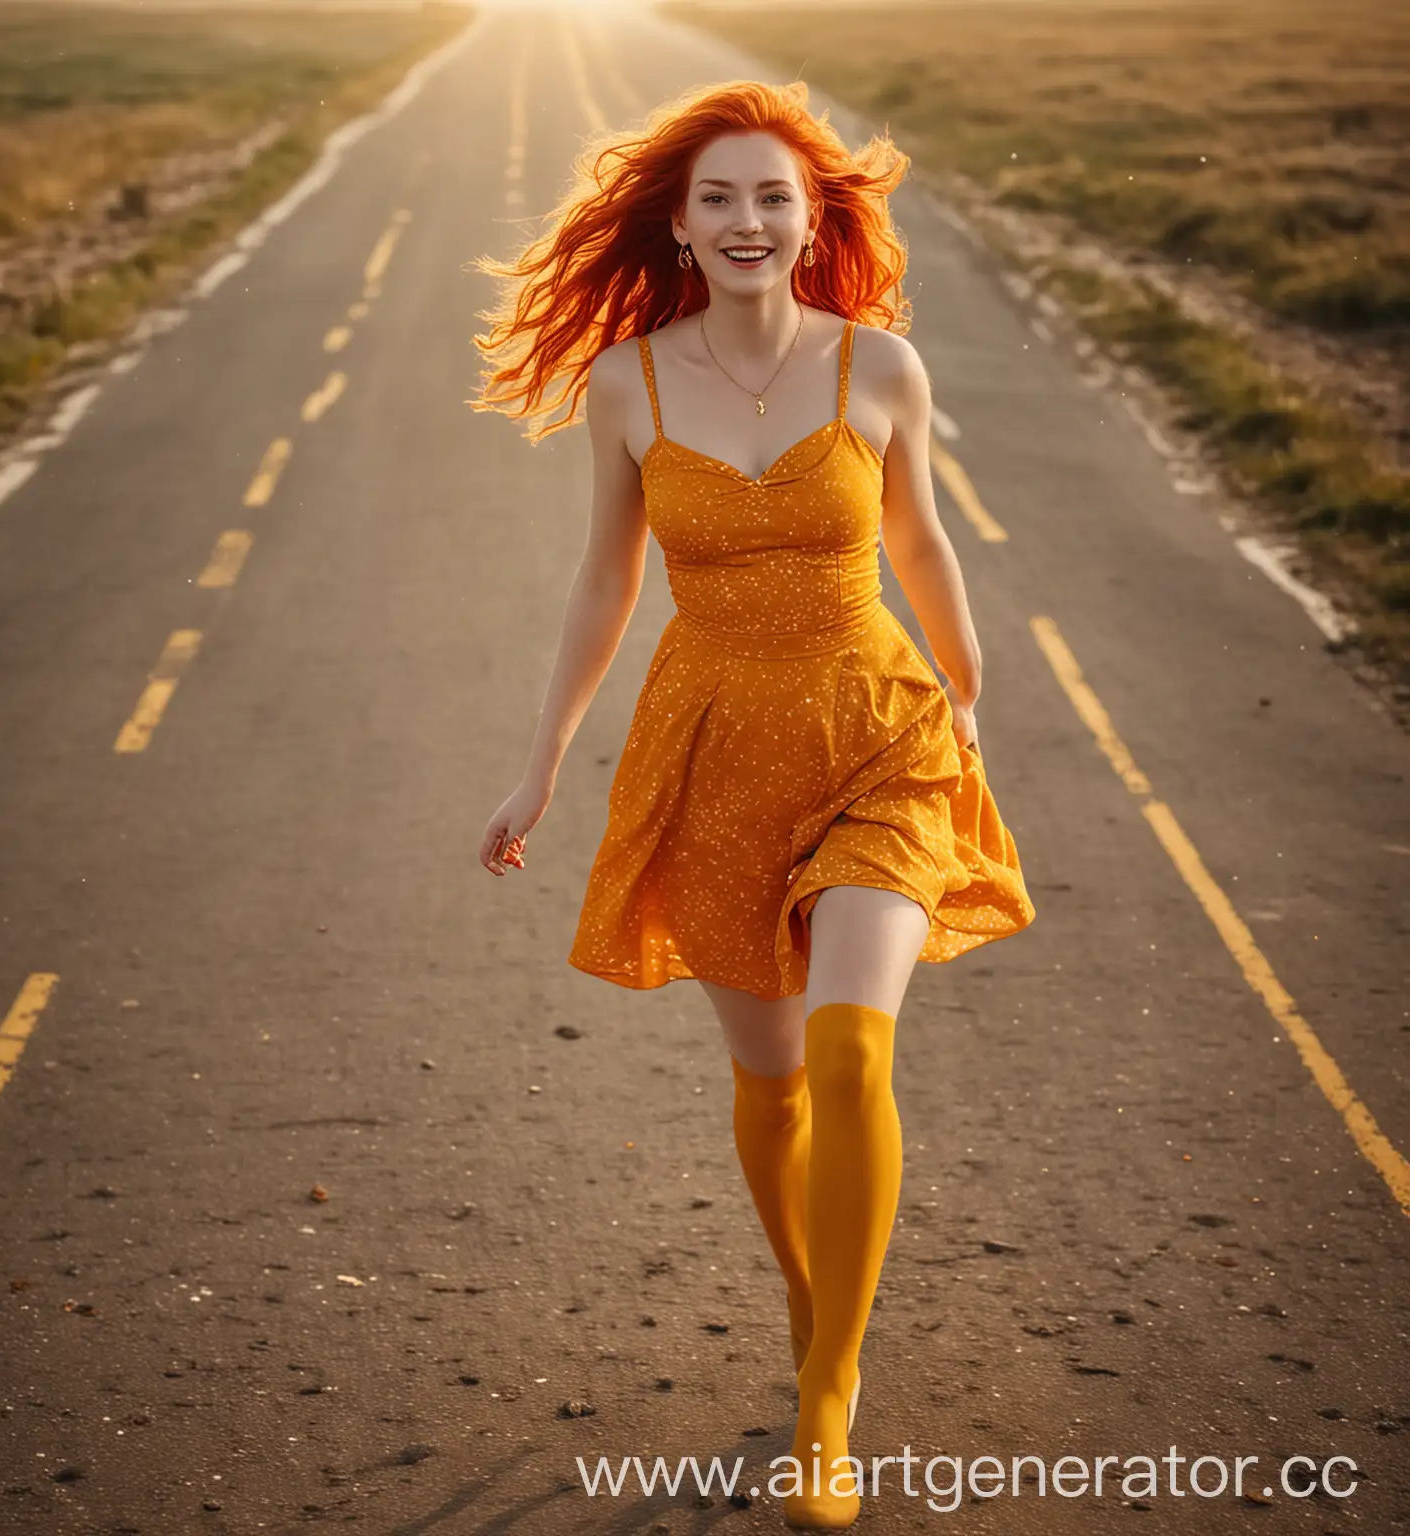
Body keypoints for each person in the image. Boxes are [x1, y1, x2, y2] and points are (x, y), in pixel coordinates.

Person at [467, 79, 1035, 1530]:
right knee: (773, 1081)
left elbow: (921, 540)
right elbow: (603, 586)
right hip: (714, 745)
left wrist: (965, 699)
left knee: (853, 1046)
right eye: (717, 196)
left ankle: (826, 1411)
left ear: (811, 218)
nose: (747, 220)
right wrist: (538, 767)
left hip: (875, 734)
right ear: (677, 222)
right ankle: (813, 1297)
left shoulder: (882, 369)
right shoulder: (631, 385)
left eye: (773, 195)